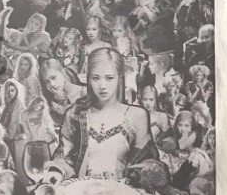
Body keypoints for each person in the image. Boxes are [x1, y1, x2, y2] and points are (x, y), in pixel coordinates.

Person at [50, 47, 156, 180]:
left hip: (122, 191)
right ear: (88, 79)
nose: (102, 86)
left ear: (119, 78)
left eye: (109, 78)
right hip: (82, 190)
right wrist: (56, 172)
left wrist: (150, 172)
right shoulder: (76, 114)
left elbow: (146, 163)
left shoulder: (136, 115)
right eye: (96, 78)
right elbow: (64, 157)